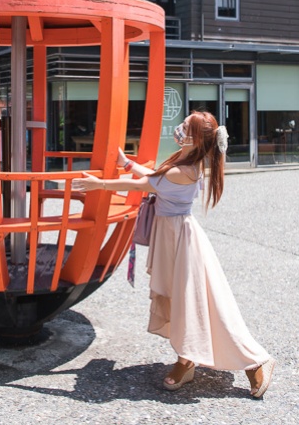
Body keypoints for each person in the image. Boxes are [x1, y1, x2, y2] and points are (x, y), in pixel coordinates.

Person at [72, 111, 276, 398]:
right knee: (184, 301)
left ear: (194, 138)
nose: (179, 128)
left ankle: (254, 361)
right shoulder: (186, 163)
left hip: (179, 240)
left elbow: (144, 185)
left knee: (200, 303)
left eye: (185, 126)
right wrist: (127, 162)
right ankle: (187, 357)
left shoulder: (183, 169)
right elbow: (153, 179)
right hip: (175, 236)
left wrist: (100, 185)